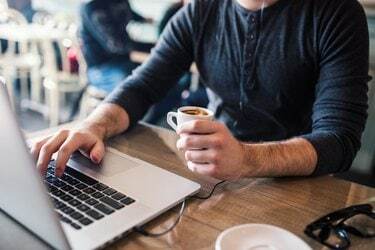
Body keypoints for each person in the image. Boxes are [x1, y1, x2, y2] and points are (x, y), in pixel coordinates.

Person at [32, 0, 370, 181]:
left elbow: (339, 139)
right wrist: (94, 125)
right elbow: (141, 87)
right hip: (212, 171)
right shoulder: (199, 11)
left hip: (299, 179)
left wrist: (247, 159)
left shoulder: (337, 13)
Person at [80, 0, 153, 94]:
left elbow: (130, 14)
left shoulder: (120, 1)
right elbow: (116, 45)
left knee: (161, 74)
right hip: (103, 68)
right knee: (135, 88)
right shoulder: (92, 7)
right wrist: (151, 58)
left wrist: (149, 20)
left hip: (125, 58)